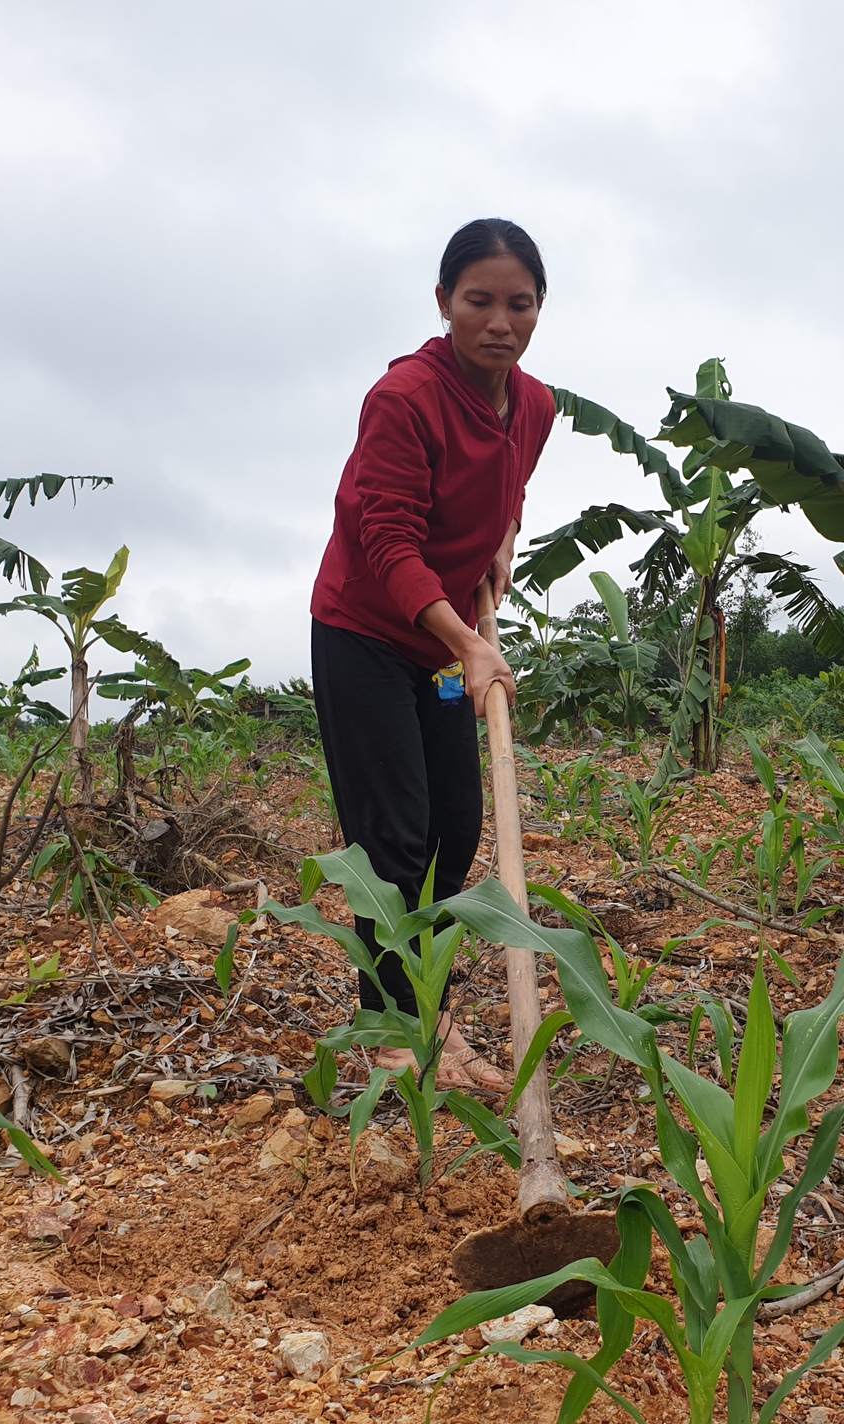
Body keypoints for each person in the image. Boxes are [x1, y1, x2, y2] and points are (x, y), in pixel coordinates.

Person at [309, 217, 553, 1092]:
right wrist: (469, 642)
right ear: (445, 301)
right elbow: (387, 540)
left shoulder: (534, 404)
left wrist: (502, 541)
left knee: (455, 829)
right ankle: (392, 1034)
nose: (499, 321)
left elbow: (508, 485)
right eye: (479, 300)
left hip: (447, 645)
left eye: (518, 304)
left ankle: (432, 1018)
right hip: (368, 635)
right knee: (394, 843)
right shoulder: (405, 400)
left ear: (538, 310)